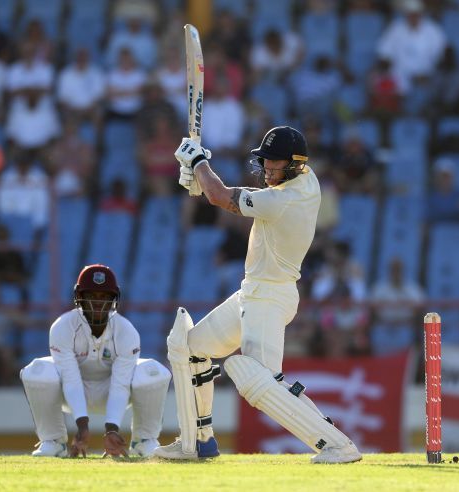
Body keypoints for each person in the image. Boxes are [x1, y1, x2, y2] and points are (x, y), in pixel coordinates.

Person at [154, 126, 362, 464]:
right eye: (265, 161)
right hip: (253, 292)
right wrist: (199, 174)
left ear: (294, 164)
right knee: (190, 349)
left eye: (274, 163)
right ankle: (198, 441)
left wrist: (197, 163)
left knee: (258, 382)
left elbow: (221, 197)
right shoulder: (305, 180)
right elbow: (222, 193)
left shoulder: (284, 199)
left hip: (269, 296)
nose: (267, 168)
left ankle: (338, 446)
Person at [20, 264, 171, 458]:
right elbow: (70, 378)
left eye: (104, 297)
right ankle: (53, 441)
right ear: (79, 298)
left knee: (153, 371)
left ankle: (143, 440)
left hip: (111, 391)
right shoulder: (63, 326)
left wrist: (111, 430)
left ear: (114, 299)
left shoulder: (126, 331)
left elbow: (121, 384)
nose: (97, 303)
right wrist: (82, 426)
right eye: (91, 296)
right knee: (37, 370)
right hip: (70, 391)